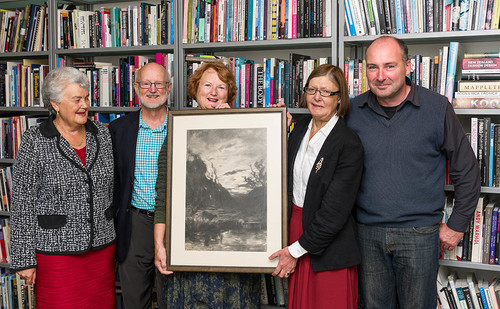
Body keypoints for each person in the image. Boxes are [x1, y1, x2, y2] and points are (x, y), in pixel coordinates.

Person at [345, 36, 481, 308]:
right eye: (372, 67)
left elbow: (467, 170)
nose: (380, 76)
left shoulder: (436, 107)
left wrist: (457, 225)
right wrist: (287, 122)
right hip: (366, 234)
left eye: (389, 66)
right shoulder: (352, 110)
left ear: (407, 67)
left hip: (419, 235)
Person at [154, 61, 261, 308]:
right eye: (208, 85)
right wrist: (159, 245)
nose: (213, 92)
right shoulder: (178, 132)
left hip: (235, 268)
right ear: (196, 90)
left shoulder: (248, 125)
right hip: (187, 259)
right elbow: (163, 195)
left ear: (229, 93)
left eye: (221, 87)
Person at [10, 67, 116, 308]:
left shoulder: (102, 133)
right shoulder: (35, 140)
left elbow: (112, 187)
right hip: (56, 253)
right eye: (76, 99)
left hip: (101, 249)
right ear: (55, 104)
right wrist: (24, 258)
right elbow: (22, 202)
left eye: (86, 98)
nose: (84, 105)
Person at [269, 63, 363, 309]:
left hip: (328, 249)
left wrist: (296, 251)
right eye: (311, 90)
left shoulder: (348, 143)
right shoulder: (298, 128)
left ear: (339, 98)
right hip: (294, 231)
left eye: (326, 92)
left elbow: (335, 213)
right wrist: (271, 126)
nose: (317, 97)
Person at [110, 62, 172, 309]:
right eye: (146, 83)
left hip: (173, 224)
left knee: (174, 299)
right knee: (135, 301)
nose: (153, 89)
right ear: (136, 88)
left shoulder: (186, 124)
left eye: (159, 83)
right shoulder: (118, 130)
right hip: (133, 225)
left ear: (169, 87)